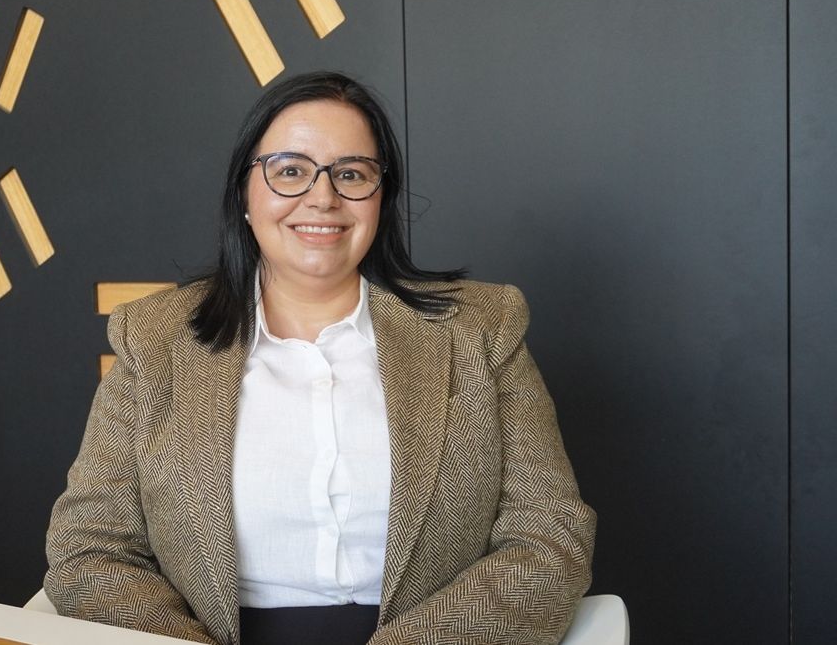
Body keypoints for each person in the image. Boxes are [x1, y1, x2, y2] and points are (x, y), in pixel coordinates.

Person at [45, 71, 596, 645]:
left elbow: (551, 537)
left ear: (381, 199)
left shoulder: (481, 328)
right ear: (244, 196)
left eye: (351, 173)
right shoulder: (154, 338)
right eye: (290, 171)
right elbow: (90, 548)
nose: (323, 198)